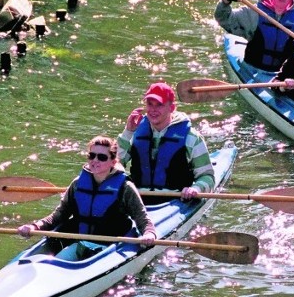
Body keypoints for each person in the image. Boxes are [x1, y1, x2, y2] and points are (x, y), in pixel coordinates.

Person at [17, 136, 157, 248]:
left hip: (107, 245)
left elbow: (143, 219)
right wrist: (34, 226)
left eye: (102, 157)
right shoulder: (78, 184)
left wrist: (149, 234)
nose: (95, 160)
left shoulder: (125, 188)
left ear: (113, 162)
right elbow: (59, 216)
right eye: (92, 155)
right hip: (78, 240)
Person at [117, 82, 215, 202]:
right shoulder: (134, 132)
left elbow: (208, 177)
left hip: (176, 201)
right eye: (149, 104)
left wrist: (196, 189)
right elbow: (114, 165)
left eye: (159, 105)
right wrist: (127, 132)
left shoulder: (192, 137)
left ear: (172, 108)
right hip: (137, 199)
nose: (153, 110)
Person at [214, 0, 294, 71]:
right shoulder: (254, 12)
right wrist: (226, 1)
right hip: (251, 69)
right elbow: (223, 18)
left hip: (281, 76)